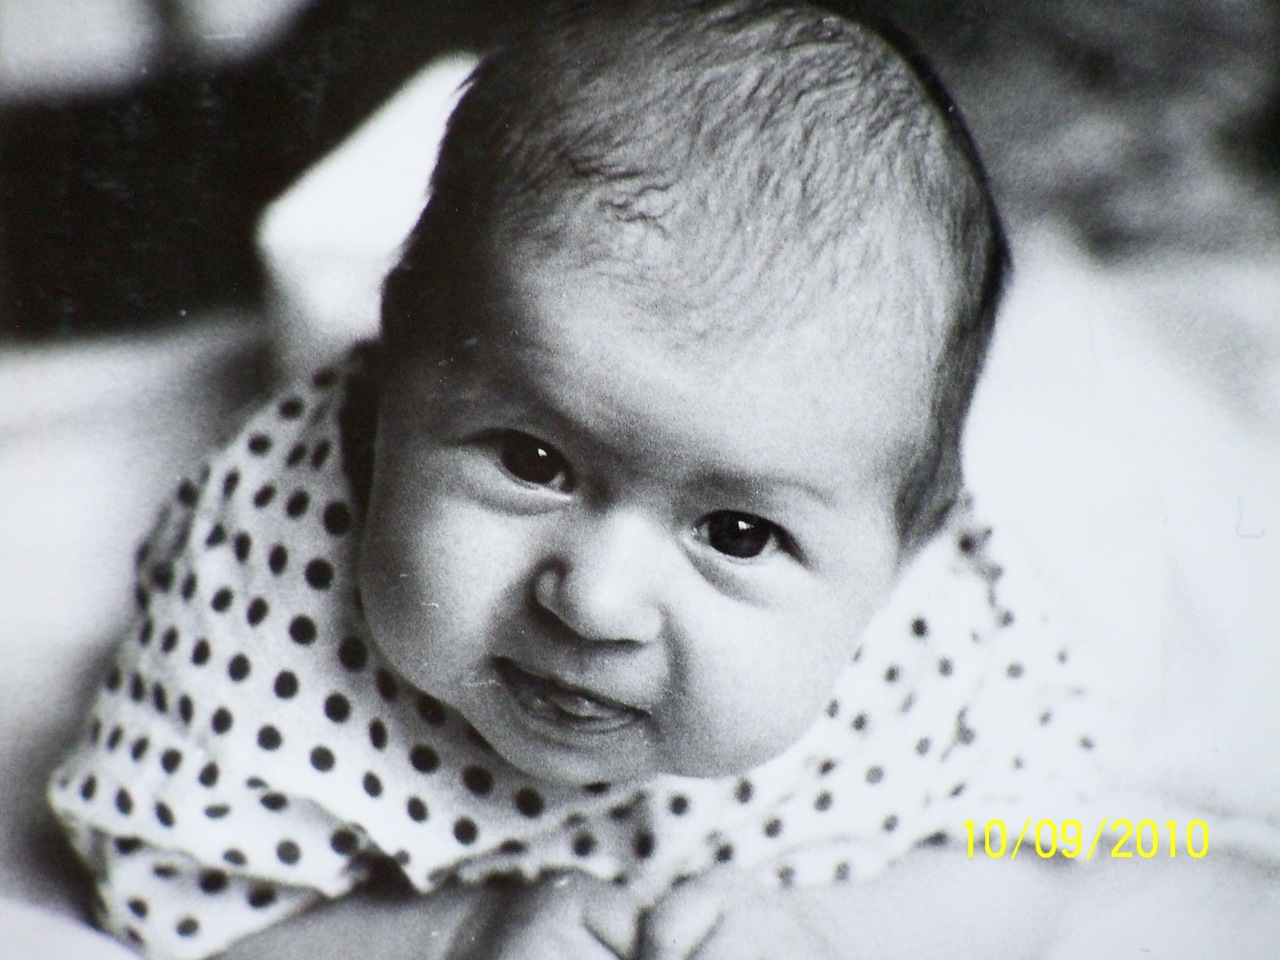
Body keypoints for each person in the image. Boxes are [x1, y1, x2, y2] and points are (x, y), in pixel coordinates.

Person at [48, 2, 1104, 957]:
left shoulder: (929, 641)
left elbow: (1039, 847)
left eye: (735, 534)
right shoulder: (265, 581)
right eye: (532, 461)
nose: (594, 603)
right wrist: (448, 938)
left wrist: (842, 928)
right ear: (392, 372)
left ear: (912, 549)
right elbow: (166, 891)